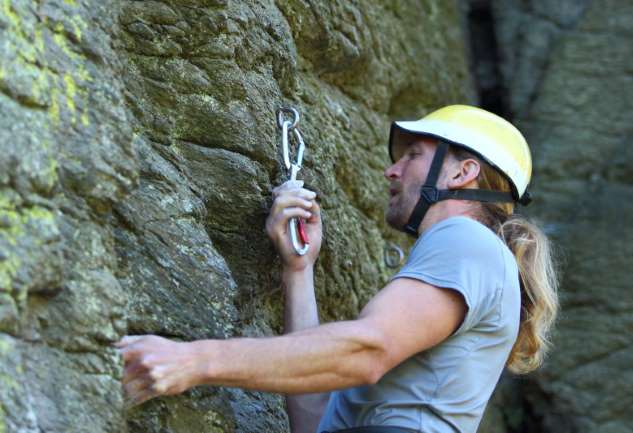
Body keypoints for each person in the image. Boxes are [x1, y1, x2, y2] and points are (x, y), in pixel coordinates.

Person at [117, 105, 559, 433]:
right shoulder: (471, 259)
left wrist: (193, 359)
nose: (392, 170)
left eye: (413, 155)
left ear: (463, 172)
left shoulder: (466, 241)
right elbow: (316, 419)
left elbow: (366, 351)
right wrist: (298, 270)